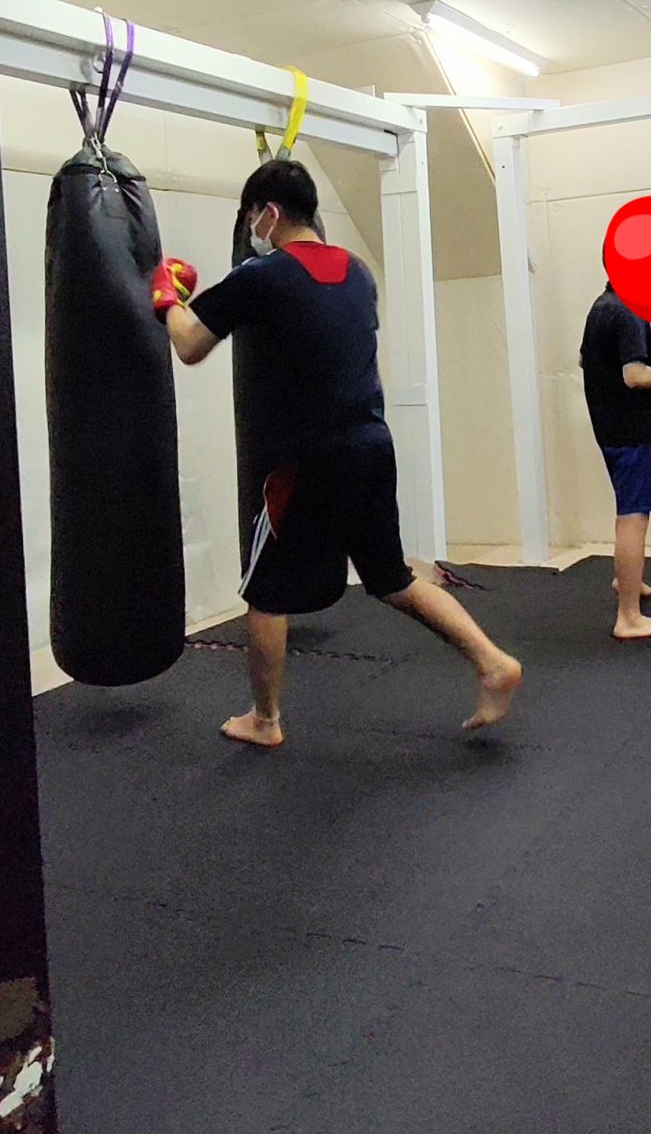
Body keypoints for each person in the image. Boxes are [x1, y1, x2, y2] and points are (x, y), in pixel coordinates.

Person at [153, 157, 523, 746]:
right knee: (392, 577)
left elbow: (190, 345)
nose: (251, 229)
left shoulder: (261, 276)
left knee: (264, 592)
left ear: (268, 213)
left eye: (251, 218)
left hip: (304, 461)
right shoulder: (358, 272)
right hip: (370, 445)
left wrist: (167, 297)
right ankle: (492, 661)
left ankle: (265, 720)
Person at [578, 282, 651, 640]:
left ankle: (627, 579)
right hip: (632, 432)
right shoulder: (628, 311)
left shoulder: (601, 305)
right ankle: (628, 617)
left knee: (628, 509)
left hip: (610, 428)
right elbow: (634, 376)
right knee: (634, 515)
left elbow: (584, 359)